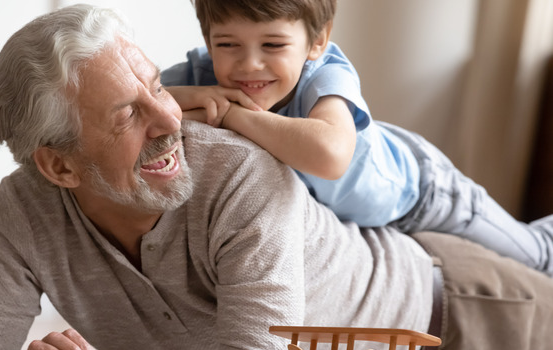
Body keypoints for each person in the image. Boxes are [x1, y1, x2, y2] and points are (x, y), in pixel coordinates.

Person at [0, 3, 553, 350]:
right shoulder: (21, 212)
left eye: (157, 87)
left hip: (467, 316)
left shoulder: (241, 175)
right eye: (126, 115)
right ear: (58, 168)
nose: (173, 119)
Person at [161, 0, 553, 277]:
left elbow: (329, 156)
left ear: (317, 41)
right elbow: (132, 101)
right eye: (227, 44)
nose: (249, 64)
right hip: (370, 223)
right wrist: (190, 97)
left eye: (273, 45)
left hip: (425, 195)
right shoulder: (202, 73)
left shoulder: (326, 73)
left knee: (533, 257)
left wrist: (230, 114)